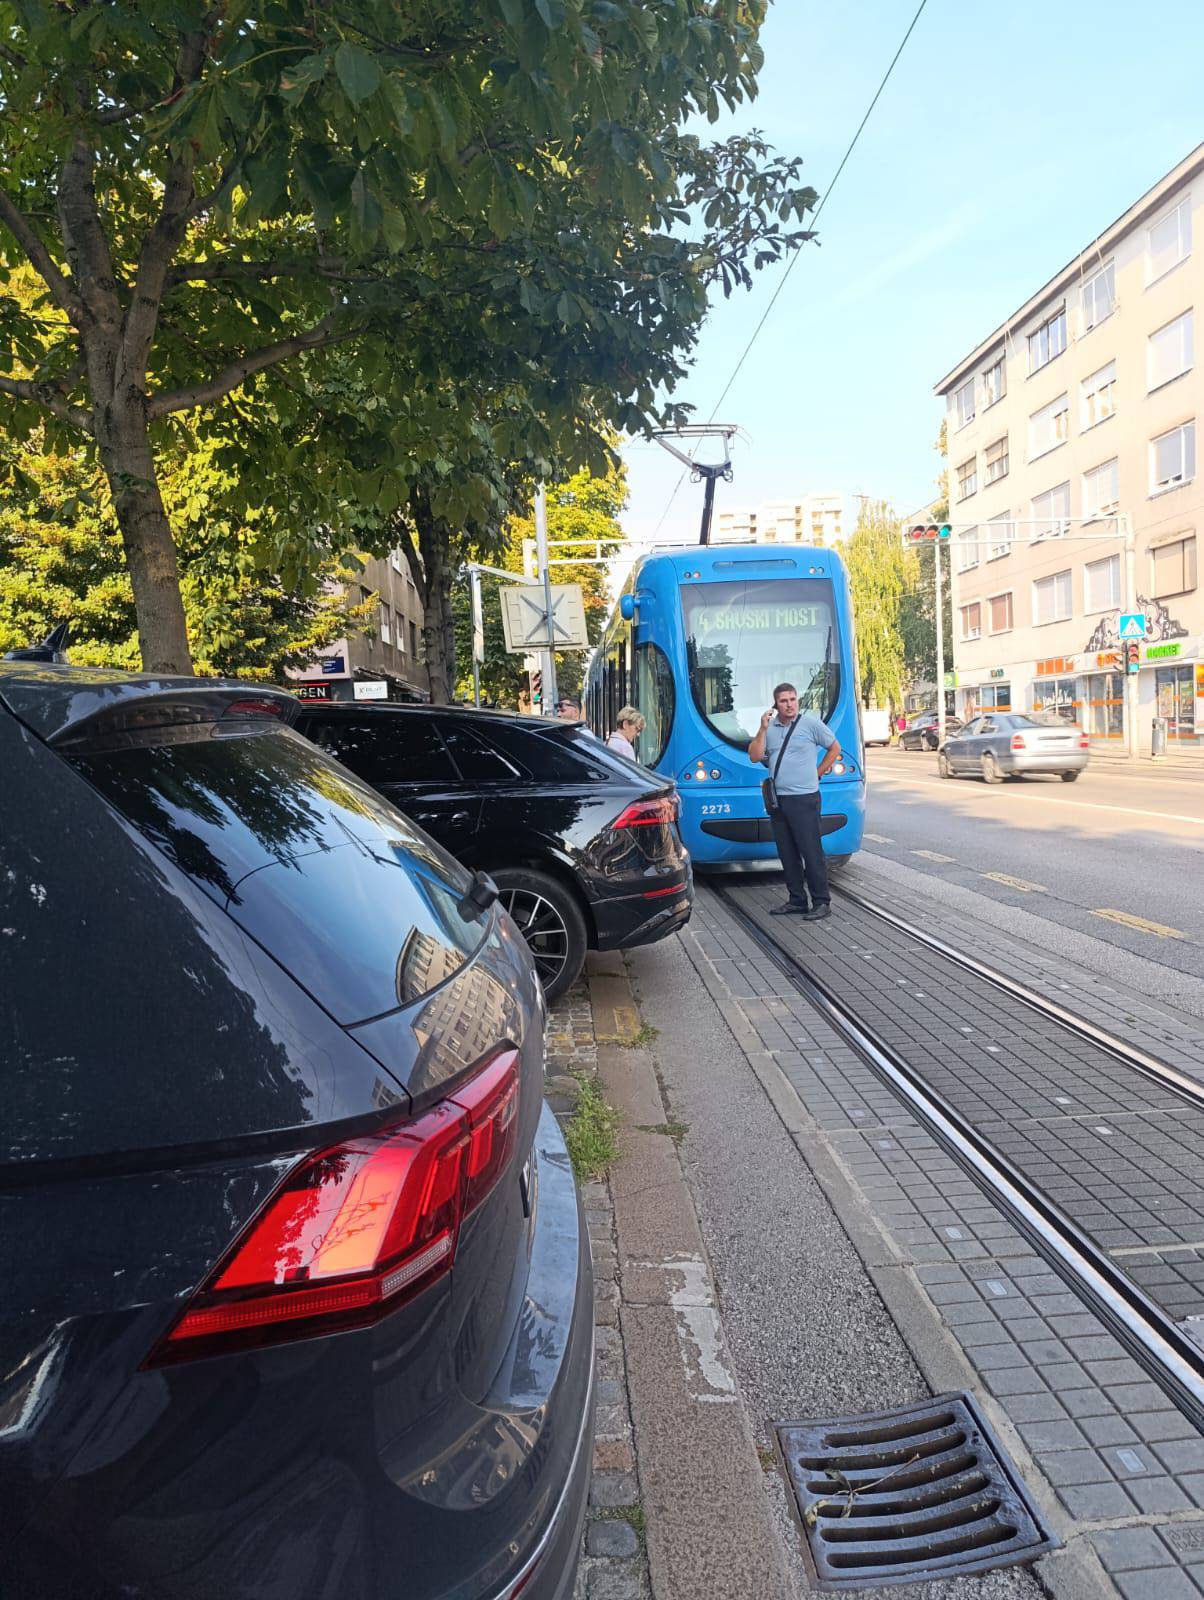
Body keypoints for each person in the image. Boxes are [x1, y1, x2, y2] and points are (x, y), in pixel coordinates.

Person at [748, 682, 841, 922]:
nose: (789, 705)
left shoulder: (810, 724)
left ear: (797, 700)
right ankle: (797, 900)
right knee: (787, 852)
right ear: (775, 705)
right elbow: (755, 756)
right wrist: (762, 728)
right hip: (778, 800)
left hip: (805, 798)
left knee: (811, 851)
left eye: (792, 699)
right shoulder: (770, 729)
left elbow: (834, 748)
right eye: (783, 701)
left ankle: (821, 902)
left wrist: (818, 773)